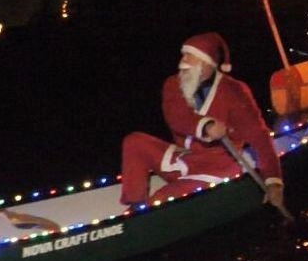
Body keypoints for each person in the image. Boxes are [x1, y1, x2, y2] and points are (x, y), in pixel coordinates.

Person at [119, 33, 286, 213]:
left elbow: (258, 135)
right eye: (183, 55)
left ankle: (146, 213)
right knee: (134, 142)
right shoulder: (174, 83)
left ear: (206, 64)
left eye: (189, 56)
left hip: (215, 167)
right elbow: (176, 117)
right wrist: (205, 126)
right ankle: (135, 204)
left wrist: (273, 181)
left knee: (159, 201)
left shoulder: (235, 91)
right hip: (184, 157)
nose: (182, 62)